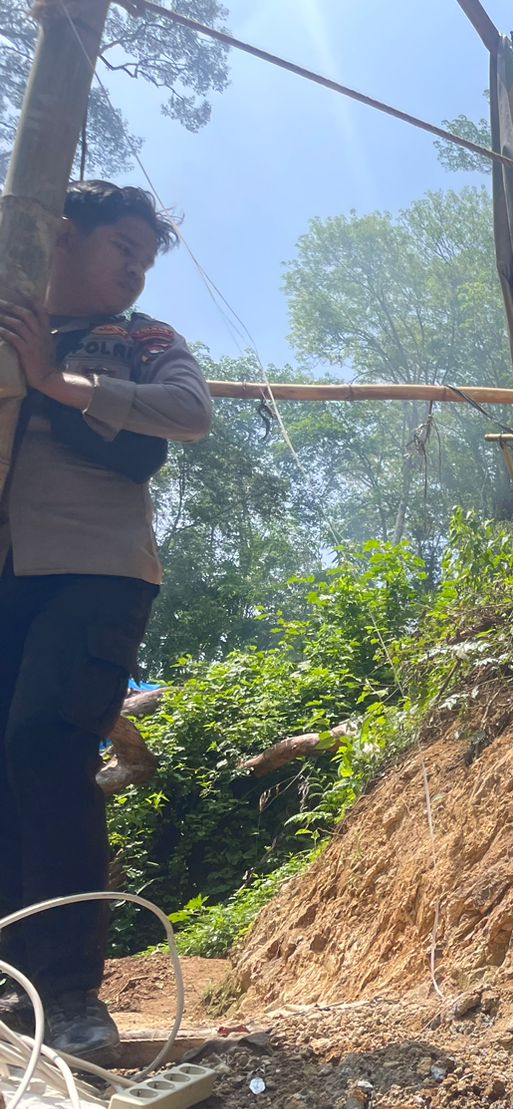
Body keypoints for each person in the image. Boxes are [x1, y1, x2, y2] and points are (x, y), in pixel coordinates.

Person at [0, 181, 212, 1060]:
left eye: (146, 257)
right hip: (9, 572)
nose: (134, 269)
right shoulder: (12, 314)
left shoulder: (143, 340)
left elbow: (191, 413)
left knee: (47, 746)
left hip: (97, 569)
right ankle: (18, 991)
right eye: (121, 246)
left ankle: (72, 996)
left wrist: (55, 384)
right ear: (62, 236)